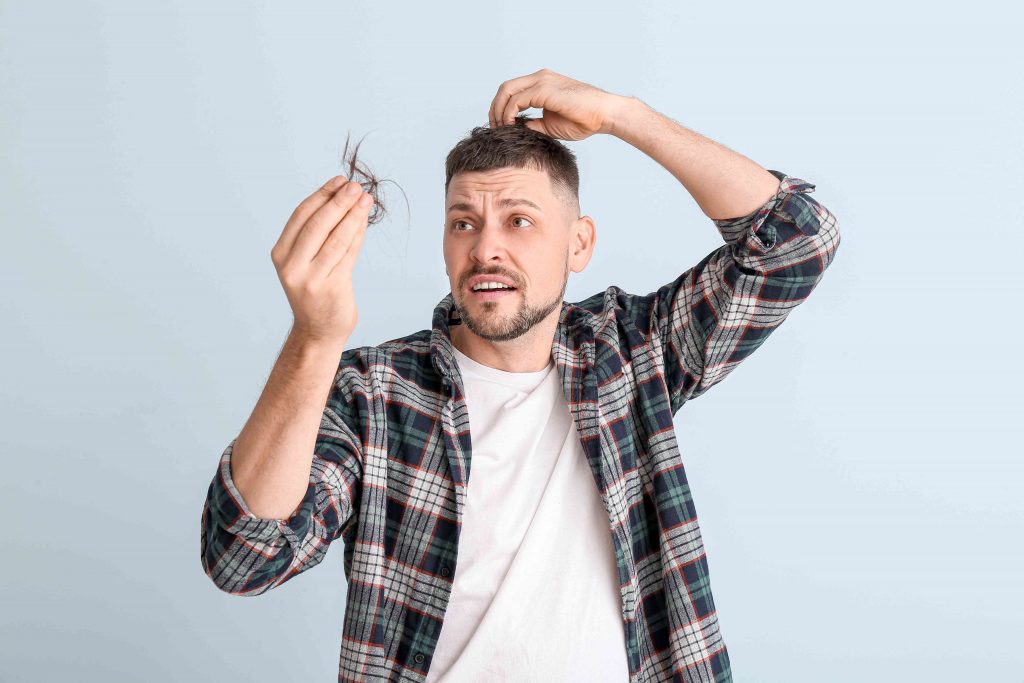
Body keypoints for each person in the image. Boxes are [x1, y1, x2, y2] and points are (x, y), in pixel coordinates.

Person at [200, 68, 841, 683]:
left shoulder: (631, 353)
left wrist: (623, 114)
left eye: (520, 220)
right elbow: (244, 558)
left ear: (579, 244)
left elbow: (795, 240)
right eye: (463, 223)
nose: (486, 248)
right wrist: (314, 339)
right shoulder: (374, 393)